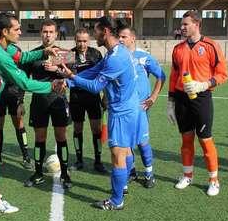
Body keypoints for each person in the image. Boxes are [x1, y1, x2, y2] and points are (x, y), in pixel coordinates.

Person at [0, 12, 60, 214]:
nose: (20, 31)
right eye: (16, 29)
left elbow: (21, 56)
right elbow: (24, 82)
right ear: (5, 32)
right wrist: (52, 86)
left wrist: (43, 52)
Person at [60, 16, 139, 211]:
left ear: (105, 31)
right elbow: (95, 70)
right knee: (126, 149)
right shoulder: (118, 51)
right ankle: (125, 184)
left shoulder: (115, 57)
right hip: (130, 108)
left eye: (95, 31)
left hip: (121, 112)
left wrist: (71, 77)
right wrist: (70, 80)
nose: (94, 35)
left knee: (117, 153)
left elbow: (95, 86)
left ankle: (116, 199)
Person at [167, 10, 228, 196]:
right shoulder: (178, 49)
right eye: (182, 24)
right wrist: (170, 102)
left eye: (186, 24)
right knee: (186, 139)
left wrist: (203, 84)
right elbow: (174, 75)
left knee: (205, 139)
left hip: (201, 98)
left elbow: (223, 74)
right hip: (181, 98)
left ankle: (213, 180)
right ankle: (187, 175)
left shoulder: (211, 46)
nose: (182, 27)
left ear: (197, 24)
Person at [23, 19, 72, 189]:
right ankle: (38, 173)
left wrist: (58, 71)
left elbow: (73, 75)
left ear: (56, 34)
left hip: (58, 100)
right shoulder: (33, 55)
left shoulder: (65, 54)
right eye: (45, 31)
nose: (47, 35)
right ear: (40, 33)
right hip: (39, 101)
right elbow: (22, 80)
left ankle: (65, 174)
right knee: (39, 138)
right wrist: (19, 101)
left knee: (61, 137)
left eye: (51, 32)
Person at [118, 26, 166, 190]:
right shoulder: (118, 57)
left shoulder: (144, 57)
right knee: (126, 143)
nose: (121, 40)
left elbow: (161, 76)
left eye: (124, 37)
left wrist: (153, 97)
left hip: (140, 108)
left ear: (133, 39)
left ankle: (149, 173)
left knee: (142, 142)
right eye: (119, 37)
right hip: (124, 108)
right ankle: (131, 172)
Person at [69, 28, 105, 173]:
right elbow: (65, 74)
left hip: (93, 97)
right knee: (77, 129)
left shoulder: (96, 54)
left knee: (96, 129)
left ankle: (98, 160)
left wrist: (106, 96)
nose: (82, 44)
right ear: (75, 40)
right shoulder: (69, 54)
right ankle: (79, 160)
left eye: (84, 41)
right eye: (79, 41)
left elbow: (104, 76)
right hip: (76, 97)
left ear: (89, 40)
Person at [0, 45, 32, 169]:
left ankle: (26, 156)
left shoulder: (19, 56)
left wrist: (21, 101)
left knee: (19, 124)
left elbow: (23, 80)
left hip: (15, 94)